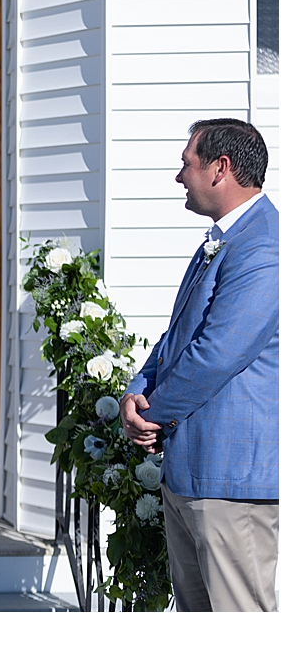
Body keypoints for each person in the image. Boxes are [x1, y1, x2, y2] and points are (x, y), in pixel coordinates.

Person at [121, 118, 278, 612]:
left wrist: (153, 413)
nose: (178, 176)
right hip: (191, 472)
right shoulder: (221, 239)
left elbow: (218, 352)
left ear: (220, 169)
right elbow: (177, 335)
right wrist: (135, 390)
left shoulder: (265, 245)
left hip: (233, 478)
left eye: (186, 163)